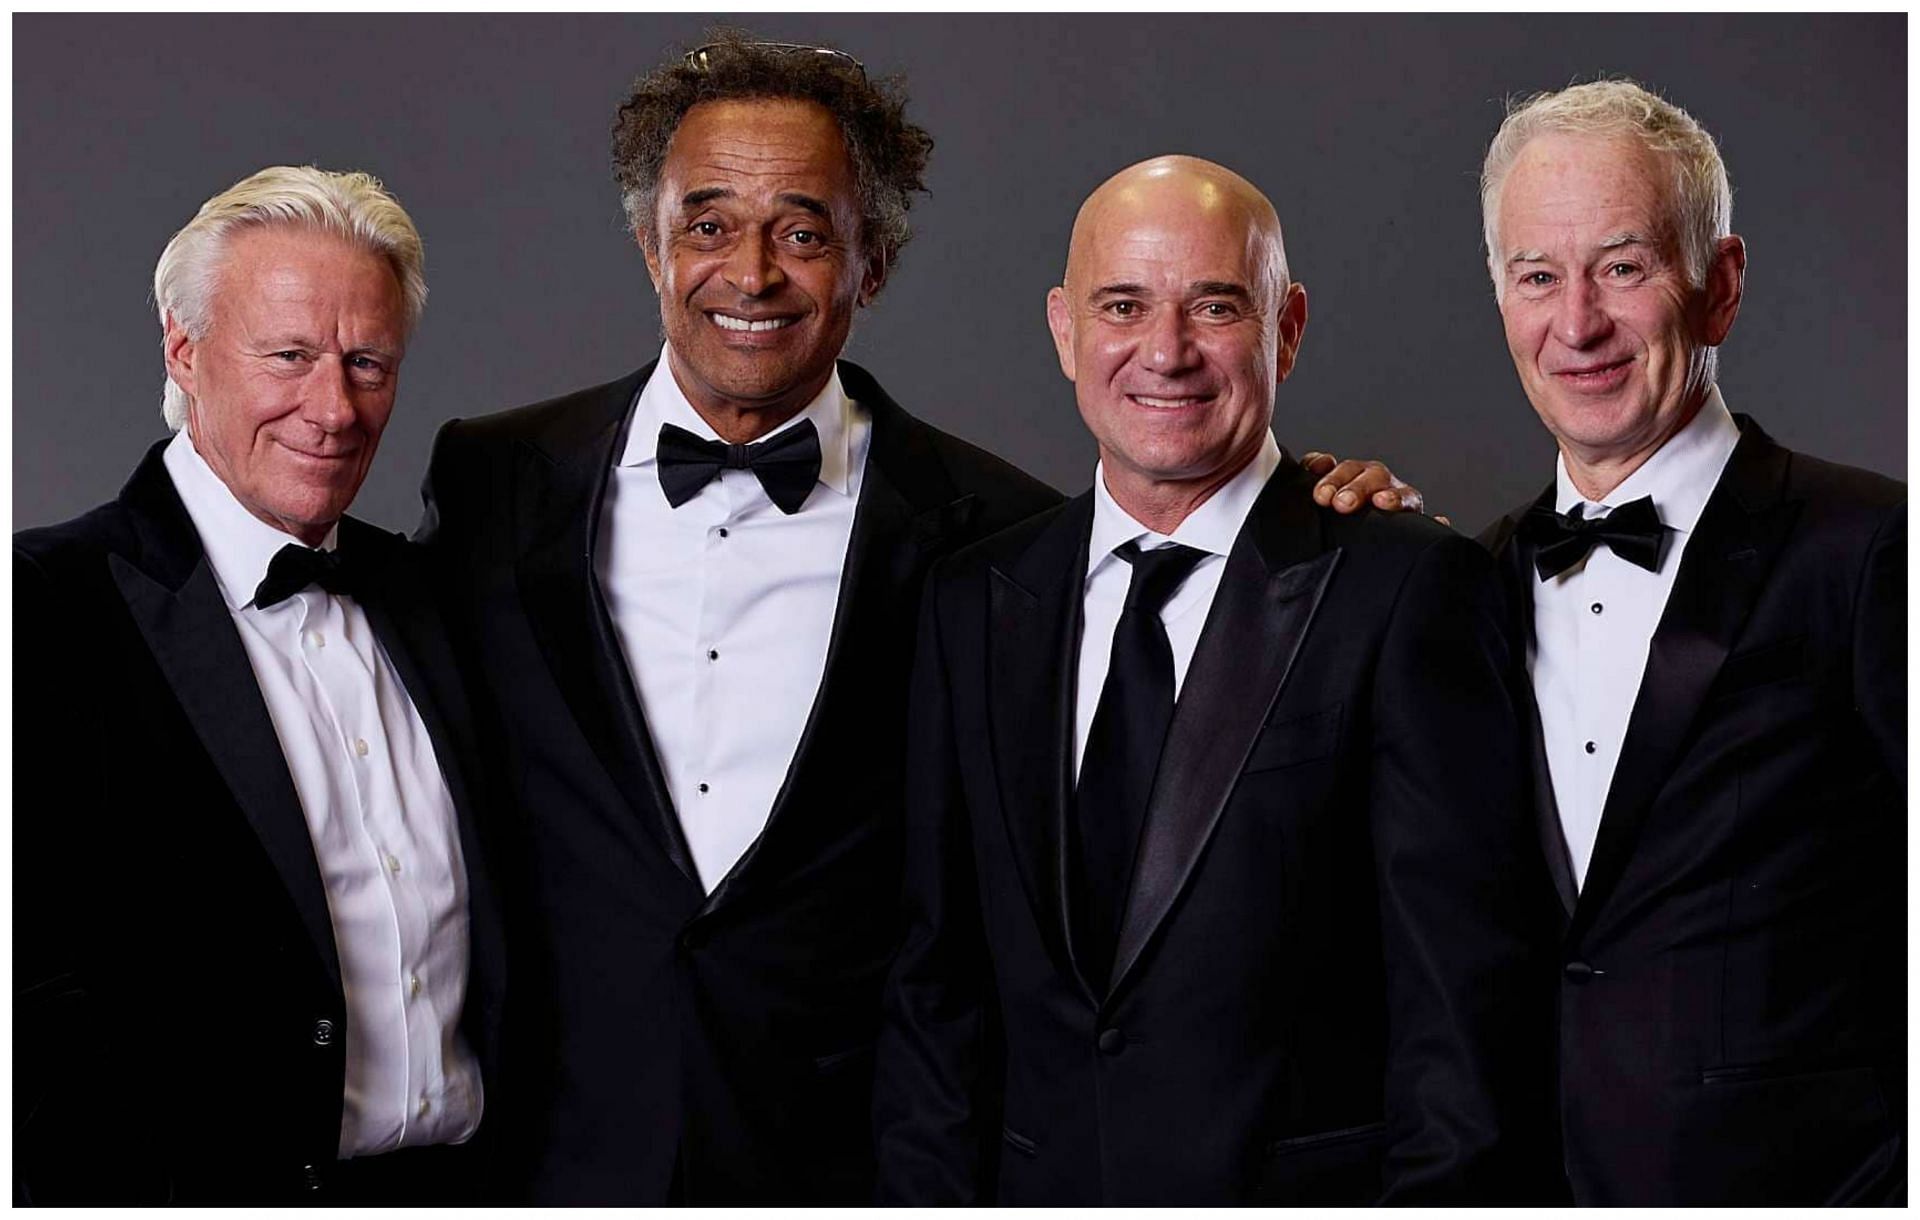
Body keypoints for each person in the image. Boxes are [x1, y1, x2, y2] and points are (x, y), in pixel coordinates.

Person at [414, 35, 1061, 1204]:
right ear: (650, 244)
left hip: (848, 1166)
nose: (751, 272)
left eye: (804, 230)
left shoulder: (1002, 534)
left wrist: (1309, 508)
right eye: (708, 224)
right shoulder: (492, 481)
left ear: (872, 265)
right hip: (538, 1159)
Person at [870, 155, 1555, 1205]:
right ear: (1064, 329)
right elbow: (934, 990)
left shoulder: (1406, 587)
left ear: (1287, 326)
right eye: (1122, 304)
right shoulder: (974, 599)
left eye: (1217, 304)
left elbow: (1461, 1017)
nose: (1167, 351)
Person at [14, 166, 505, 1204]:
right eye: (288, 355)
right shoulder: (41, 606)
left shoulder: (439, 598)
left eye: (366, 361)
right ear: (184, 350)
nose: (333, 408)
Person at [1475, 80, 1905, 1205]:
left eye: (1623, 267)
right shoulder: (1459, 583)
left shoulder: (1873, 548)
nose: (1577, 323)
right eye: (1537, 277)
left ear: (1720, 285)